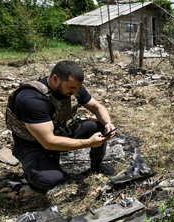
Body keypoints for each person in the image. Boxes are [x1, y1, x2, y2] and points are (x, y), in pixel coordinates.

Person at [6, 60, 116, 192]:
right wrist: (88, 143)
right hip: (36, 143)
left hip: (62, 129)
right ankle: (31, 177)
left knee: (99, 126)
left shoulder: (73, 87)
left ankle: (96, 166)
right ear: (56, 79)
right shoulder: (32, 99)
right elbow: (48, 142)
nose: (76, 92)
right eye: (71, 88)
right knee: (48, 179)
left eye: (78, 88)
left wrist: (108, 123)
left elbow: (97, 107)